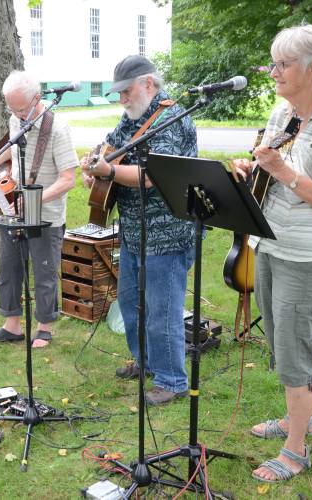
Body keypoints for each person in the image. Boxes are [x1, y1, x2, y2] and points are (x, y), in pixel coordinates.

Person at [232, 25, 312, 482]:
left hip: (311, 255)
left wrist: (281, 169)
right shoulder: (282, 111)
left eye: (282, 64)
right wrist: (251, 166)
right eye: (273, 62)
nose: (273, 72)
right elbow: (265, 161)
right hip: (270, 242)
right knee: (283, 342)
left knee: (296, 348)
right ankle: (295, 419)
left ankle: (296, 449)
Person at [81, 55, 197, 406]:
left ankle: (172, 380)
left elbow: (153, 175)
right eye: (118, 93)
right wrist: (95, 166)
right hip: (134, 231)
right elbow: (108, 148)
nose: (122, 99)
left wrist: (109, 173)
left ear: (148, 84)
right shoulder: (131, 118)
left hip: (168, 232)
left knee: (162, 308)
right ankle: (147, 362)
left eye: (126, 91)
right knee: (130, 300)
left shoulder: (172, 119)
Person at [0, 70, 78, 348]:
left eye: (22, 109)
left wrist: (37, 199)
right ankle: (12, 325)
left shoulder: (58, 130)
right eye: (11, 108)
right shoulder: (16, 119)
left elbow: (68, 179)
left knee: (44, 271)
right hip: (16, 208)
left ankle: (45, 326)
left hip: (46, 214)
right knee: (8, 269)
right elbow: (13, 150)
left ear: (37, 98)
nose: (17, 114)